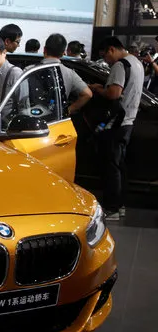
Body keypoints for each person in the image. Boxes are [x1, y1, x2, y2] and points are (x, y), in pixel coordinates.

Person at [88, 36, 144, 221]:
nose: (106, 61)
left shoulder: (120, 65)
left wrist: (98, 89)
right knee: (119, 166)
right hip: (128, 121)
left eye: (105, 56)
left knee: (111, 167)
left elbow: (114, 93)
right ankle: (120, 206)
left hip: (116, 123)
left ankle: (112, 208)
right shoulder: (136, 62)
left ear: (112, 49)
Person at [42, 34, 92, 115]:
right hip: (58, 119)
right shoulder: (70, 73)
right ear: (63, 53)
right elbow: (88, 94)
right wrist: (68, 110)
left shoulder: (29, 70)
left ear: (44, 49)